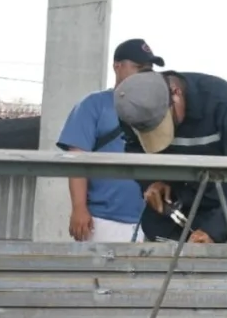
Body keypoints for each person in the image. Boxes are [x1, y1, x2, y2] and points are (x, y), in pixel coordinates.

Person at [113, 70, 227, 244]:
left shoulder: (222, 101)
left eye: (162, 126)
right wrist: (150, 181)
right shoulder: (131, 107)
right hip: (164, 224)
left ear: (176, 93)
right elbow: (135, 149)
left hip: (223, 220)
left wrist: (217, 230)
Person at [55, 38, 165, 242]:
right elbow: (77, 159)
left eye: (149, 70)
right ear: (117, 66)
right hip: (103, 221)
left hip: (151, 222)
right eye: (139, 68)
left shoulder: (160, 109)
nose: (145, 75)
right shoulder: (93, 105)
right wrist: (79, 208)